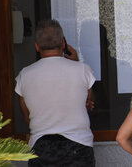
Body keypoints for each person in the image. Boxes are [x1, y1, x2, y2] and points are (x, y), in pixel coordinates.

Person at [15, 19, 96, 166]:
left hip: (41, 146)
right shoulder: (82, 70)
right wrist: (76, 63)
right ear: (64, 44)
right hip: (79, 146)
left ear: (37, 46)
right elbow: (88, 103)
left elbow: (27, 116)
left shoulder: (24, 75)